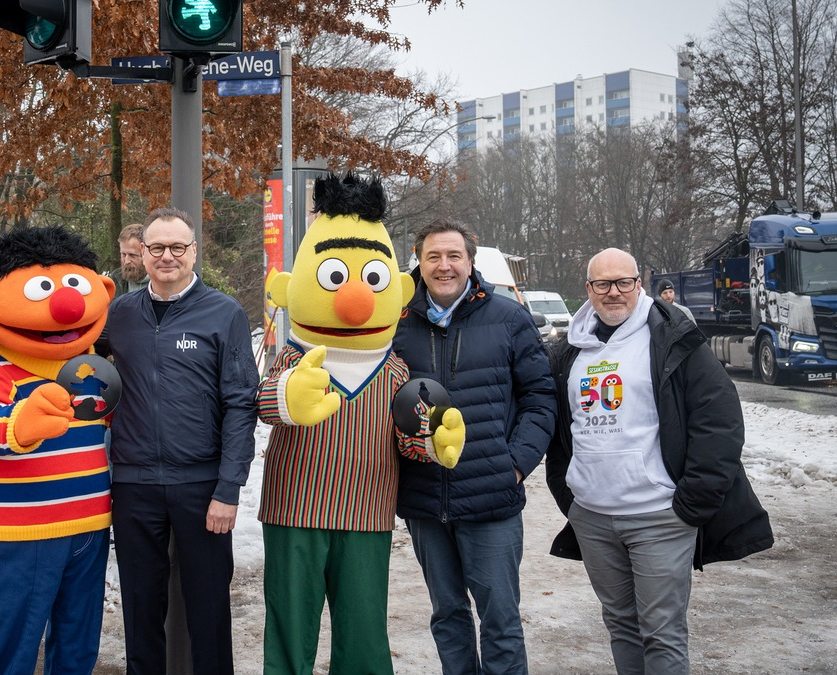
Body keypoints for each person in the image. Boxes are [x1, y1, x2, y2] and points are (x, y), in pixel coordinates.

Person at [256, 172, 463, 675]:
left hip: (368, 510)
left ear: (395, 289)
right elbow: (262, 403)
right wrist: (286, 396)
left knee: (365, 627)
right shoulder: (293, 356)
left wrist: (434, 443)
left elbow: (406, 437)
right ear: (291, 288)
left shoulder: (395, 369)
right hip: (293, 509)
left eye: (370, 280)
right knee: (289, 622)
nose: (354, 299)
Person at [545, 248, 774, 675]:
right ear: (588, 289)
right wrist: (569, 494)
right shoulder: (570, 351)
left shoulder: (673, 338)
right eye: (602, 284)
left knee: (662, 632)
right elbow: (561, 428)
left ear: (640, 283)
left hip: (659, 517)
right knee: (620, 625)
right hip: (593, 518)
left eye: (624, 282)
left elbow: (719, 419)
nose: (613, 293)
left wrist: (691, 502)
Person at [392, 219, 556, 675]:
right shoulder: (396, 322)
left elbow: (540, 399)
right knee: (448, 618)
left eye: (453, 256)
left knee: (500, 622)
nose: (444, 266)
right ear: (418, 263)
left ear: (470, 261)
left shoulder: (508, 318)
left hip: (491, 497)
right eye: (433, 257)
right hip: (424, 498)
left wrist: (516, 464)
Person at [0, 225, 116, 675]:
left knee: (78, 647)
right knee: (10, 650)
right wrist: (19, 425)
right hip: (16, 534)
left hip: (87, 527)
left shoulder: (92, 367)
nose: (64, 305)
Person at [105, 207, 259, 675]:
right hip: (134, 486)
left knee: (208, 610)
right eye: (157, 248)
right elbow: (67, 355)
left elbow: (241, 405)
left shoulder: (224, 312)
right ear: (142, 253)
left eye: (177, 247)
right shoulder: (118, 315)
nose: (167, 256)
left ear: (193, 251)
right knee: (140, 608)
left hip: (202, 487)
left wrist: (227, 490)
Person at [106, 223, 150, 300]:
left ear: (145, 253)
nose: (126, 261)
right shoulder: (115, 280)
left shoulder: (160, 282)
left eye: (132, 255)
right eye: (123, 254)